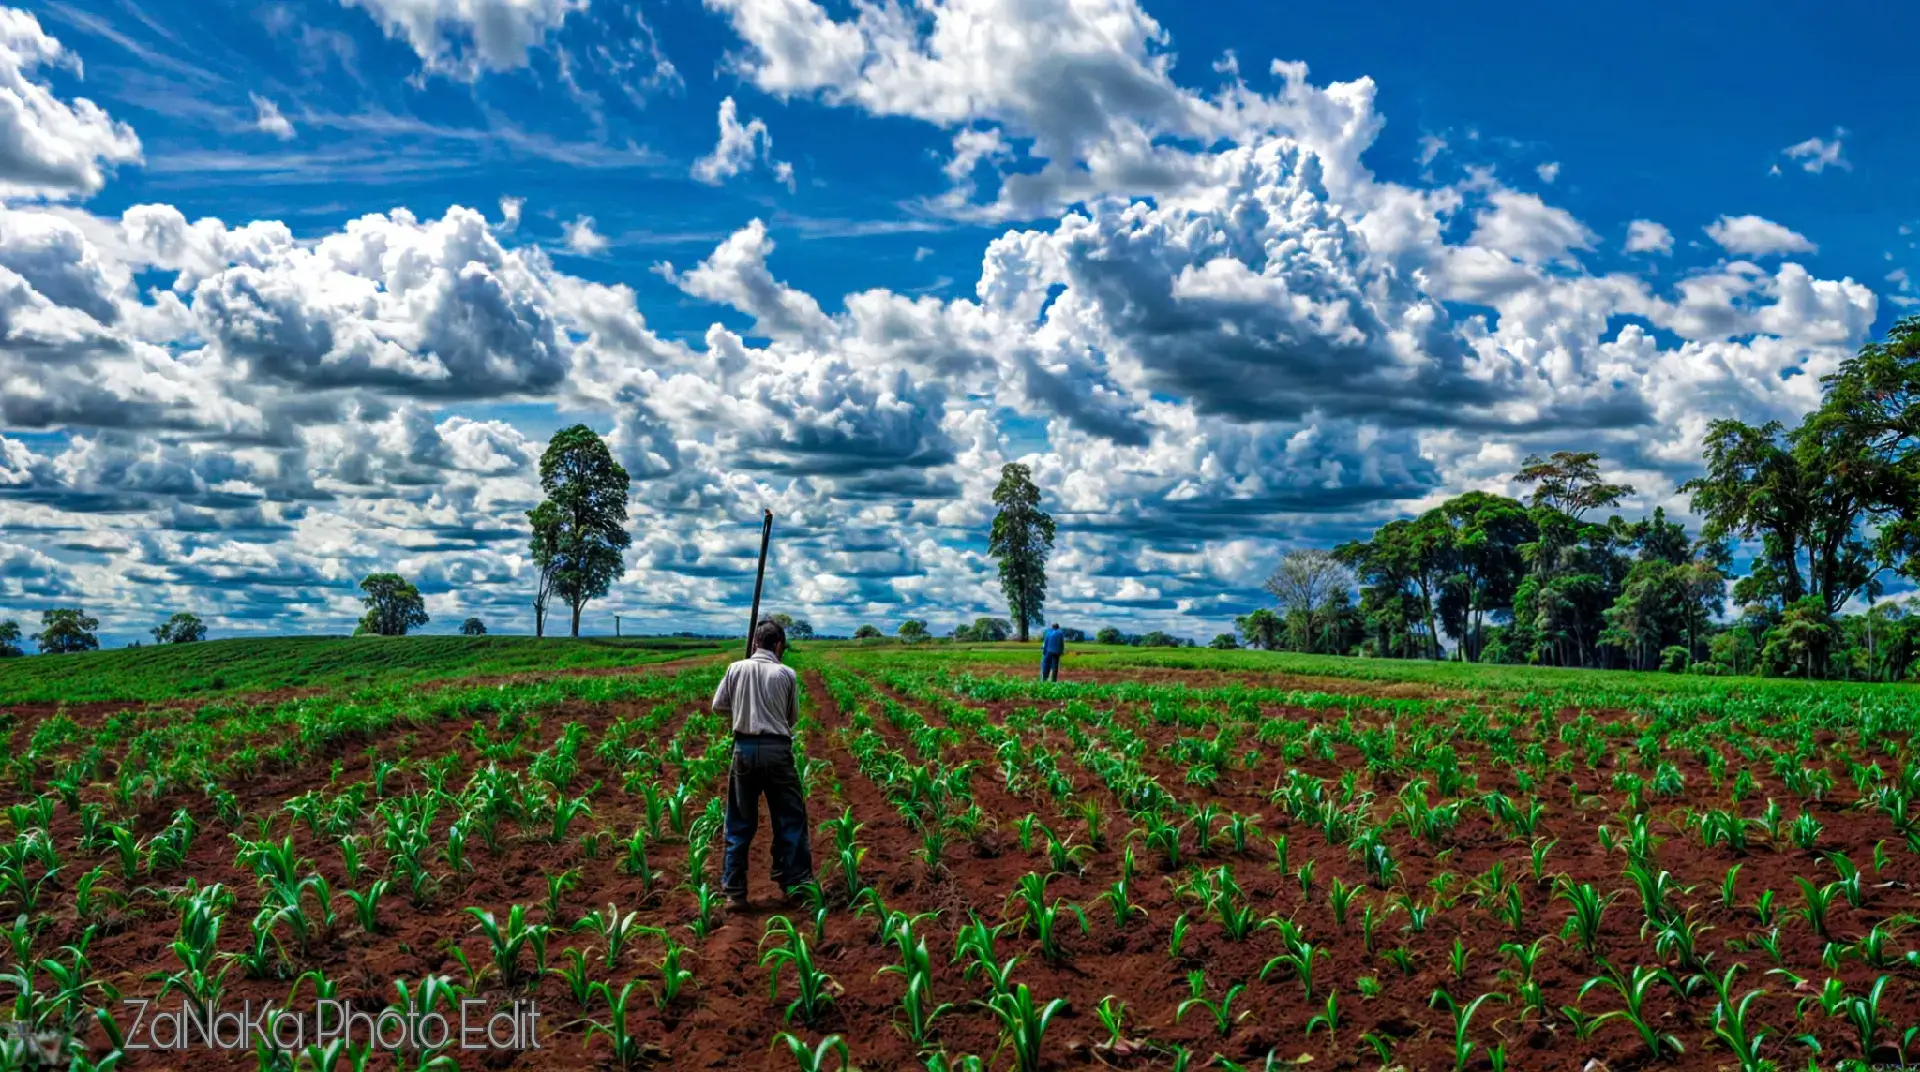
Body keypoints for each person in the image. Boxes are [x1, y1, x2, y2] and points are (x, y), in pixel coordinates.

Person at [711, 617, 813, 909]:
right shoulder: (786, 674)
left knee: (739, 821)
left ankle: (734, 891)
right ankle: (796, 884)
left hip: (743, 750)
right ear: (778, 645)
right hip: (778, 751)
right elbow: (791, 719)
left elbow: (718, 706)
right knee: (790, 819)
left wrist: (743, 707)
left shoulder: (735, 669)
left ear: (755, 643)